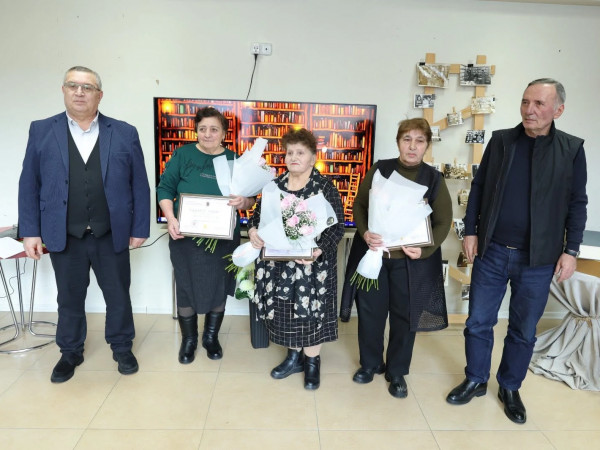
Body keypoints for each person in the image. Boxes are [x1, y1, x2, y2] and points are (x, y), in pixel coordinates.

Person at [446, 78, 588, 424]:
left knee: (523, 330)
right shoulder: (501, 141)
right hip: (492, 251)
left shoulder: (571, 149)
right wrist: (471, 230)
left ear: (558, 110)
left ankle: (509, 387)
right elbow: (479, 188)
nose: (529, 109)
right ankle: (476, 379)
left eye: (539, 103)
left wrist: (571, 250)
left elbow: (577, 203)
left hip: (538, 259)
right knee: (478, 322)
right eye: (526, 101)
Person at [18, 66, 150, 383]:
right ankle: (70, 352)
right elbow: (29, 184)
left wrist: (140, 228)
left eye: (87, 87)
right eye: (73, 85)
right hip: (64, 233)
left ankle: (122, 348)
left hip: (111, 232)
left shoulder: (125, 132)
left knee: (118, 295)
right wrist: (30, 231)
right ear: (63, 90)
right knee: (69, 297)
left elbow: (139, 185)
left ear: (99, 95)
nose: (79, 92)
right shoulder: (41, 130)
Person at [348, 118, 452, 398]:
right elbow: (360, 204)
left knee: (405, 317)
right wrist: (365, 232)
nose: (412, 146)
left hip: (410, 262)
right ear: (398, 142)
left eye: (419, 141)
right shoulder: (380, 169)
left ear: (427, 145)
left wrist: (425, 250)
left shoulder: (433, 178)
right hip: (375, 255)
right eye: (407, 139)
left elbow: (444, 221)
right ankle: (370, 364)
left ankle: (396, 371)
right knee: (370, 312)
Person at [247, 128, 344, 390]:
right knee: (286, 311)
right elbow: (256, 218)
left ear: (313, 158)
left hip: (312, 267)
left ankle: (312, 362)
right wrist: (253, 231)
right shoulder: (274, 186)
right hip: (279, 266)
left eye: (300, 152)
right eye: (290, 152)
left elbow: (337, 226)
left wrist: (319, 250)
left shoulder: (323, 187)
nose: (293, 157)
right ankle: (293, 358)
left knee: (312, 313)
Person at [157, 107, 255, 364]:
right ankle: (189, 340)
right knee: (185, 286)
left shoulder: (235, 161)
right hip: (185, 238)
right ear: (196, 131)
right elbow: (164, 189)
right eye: (202, 129)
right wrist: (170, 218)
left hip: (223, 240)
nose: (208, 134)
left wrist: (244, 201)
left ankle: (210, 338)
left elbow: (251, 200)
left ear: (224, 133)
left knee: (219, 285)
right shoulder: (182, 155)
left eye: (214, 129)